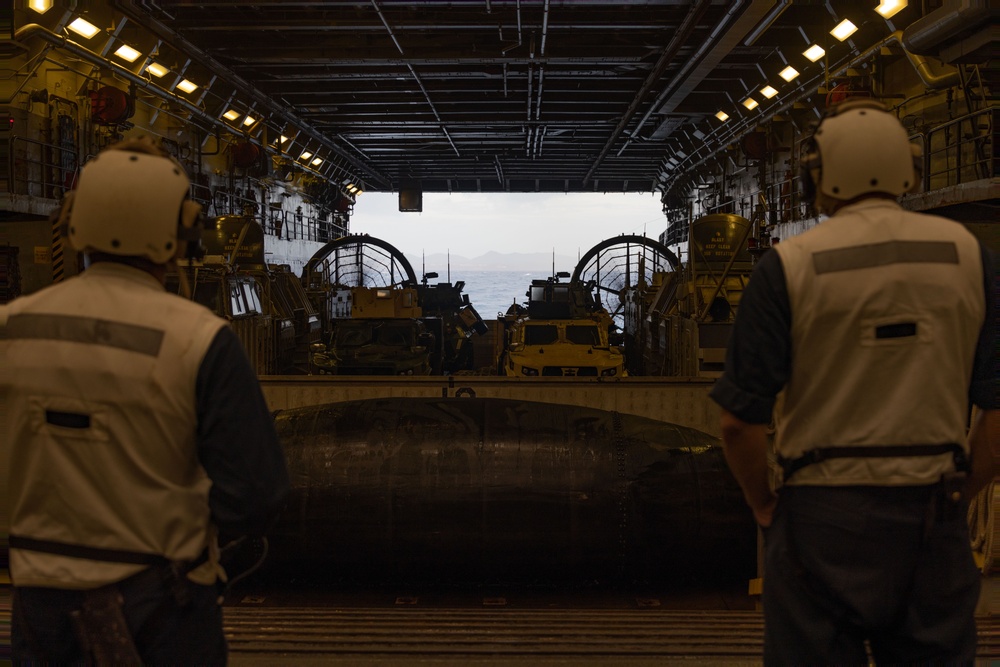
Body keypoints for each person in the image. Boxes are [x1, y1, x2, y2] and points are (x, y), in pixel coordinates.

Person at [710, 99, 997, 664]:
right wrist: (963, 490)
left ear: (819, 177)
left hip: (819, 516)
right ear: (910, 172)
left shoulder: (786, 266)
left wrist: (765, 507)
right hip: (930, 513)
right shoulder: (974, 260)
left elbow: (739, 423)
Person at [2, 138, 291, 664]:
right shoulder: (200, 341)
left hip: (39, 607)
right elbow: (256, 495)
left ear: (73, 221)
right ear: (182, 233)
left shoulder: (10, 329)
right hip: (162, 606)